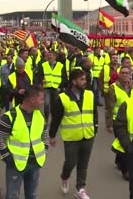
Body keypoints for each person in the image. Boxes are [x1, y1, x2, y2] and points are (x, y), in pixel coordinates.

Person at [49, 69, 97, 199]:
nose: (85, 81)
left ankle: (80, 189)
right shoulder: (63, 98)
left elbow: (94, 114)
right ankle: (65, 177)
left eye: (85, 79)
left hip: (88, 135)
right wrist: (52, 136)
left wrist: (95, 128)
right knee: (70, 162)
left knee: (83, 164)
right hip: (71, 137)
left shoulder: (90, 94)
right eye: (81, 79)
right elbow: (56, 118)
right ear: (73, 81)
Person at [0, 85, 47, 199]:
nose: (43, 102)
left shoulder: (40, 115)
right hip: (15, 165)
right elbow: (0, 140)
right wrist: (8, 159)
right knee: (12, 196)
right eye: (41, 99)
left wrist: (44, 152)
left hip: (35, 164)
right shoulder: (10, 116)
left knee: (32, 196)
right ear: (32, 99)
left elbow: (45, 137)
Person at [105, 66, 133, 180]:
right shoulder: (113, 88)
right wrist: (109, 124)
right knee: (125, 144)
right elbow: (109, 107)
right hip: (118, 121)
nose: (125, 75)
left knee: (123, 142)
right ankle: (125, 170)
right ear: (119, 74)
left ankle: (118, 160)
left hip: (131, 120)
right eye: (122, 73)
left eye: (127, 73)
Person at [35, 50, 67, 121]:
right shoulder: (43, 65)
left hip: (56, 88)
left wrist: (61, 87)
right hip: (47, 87)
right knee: (46, 104)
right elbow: (39, 75)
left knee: (55, 105)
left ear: (55, 57)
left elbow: (64, 77)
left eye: (51, 55)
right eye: (48, 55)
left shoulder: (60, 66)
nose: (49, 56)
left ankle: (54, 118)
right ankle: (46, 119)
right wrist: (41, 80)